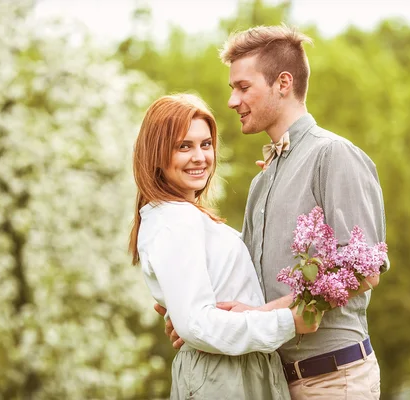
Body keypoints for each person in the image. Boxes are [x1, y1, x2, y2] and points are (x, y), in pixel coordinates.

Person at [157, 25, 390, 399]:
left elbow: (362, 272)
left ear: (283, 83)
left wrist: (263, 314)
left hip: (334, 379)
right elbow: (247, 281)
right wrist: (194, 314)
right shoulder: (262, 181)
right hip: (271, 382)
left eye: (243, 87)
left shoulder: (334, 155)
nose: (232, 101)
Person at [128, 93, 323, 400]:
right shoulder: (174, 221)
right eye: (184, 146)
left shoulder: (184, 216)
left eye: (205, 144)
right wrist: (287, 320)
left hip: (238, 366)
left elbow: (196, 314)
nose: (200, 157)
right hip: (224, 374)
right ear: (157, 154)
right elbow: (198, 324)